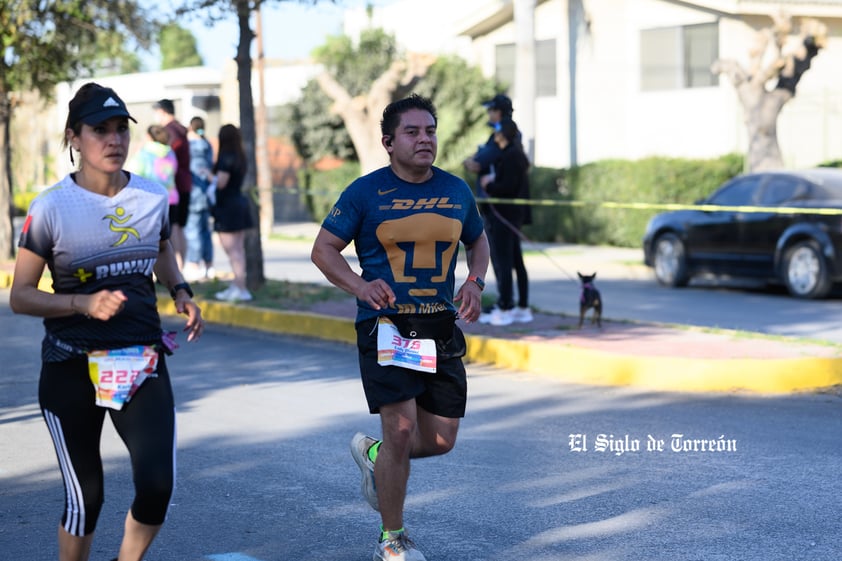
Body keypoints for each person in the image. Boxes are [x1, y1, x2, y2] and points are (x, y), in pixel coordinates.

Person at [9, 82, 204, 561]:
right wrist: (81, 304)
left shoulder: (150, 195)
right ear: (75, 138)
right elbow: (21, 296)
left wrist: (180, 290)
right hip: (70, 364)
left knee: (158, 486)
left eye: (121, 129)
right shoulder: (51, 207)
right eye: (100, 130)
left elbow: (160, 248)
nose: (114, 139)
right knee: (86, 499)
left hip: (139, 357)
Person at [311, 94, 490, 561]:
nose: (424, 139)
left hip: (441, 326)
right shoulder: (364, 192)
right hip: (387, 325)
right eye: (412, 132)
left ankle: (375, 457)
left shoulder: (456, 191)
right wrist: (359, 285)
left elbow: (479, 241)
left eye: (430, 130)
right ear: (389, 142)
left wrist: (474, 280)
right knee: (402, 428)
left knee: (439, 439)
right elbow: (324, 250)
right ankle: (392, 539)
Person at [478, 118, 532, 326]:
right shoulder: (515, 154)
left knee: (505, 261)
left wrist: (488, 185)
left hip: (506, 216)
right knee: (516, 261)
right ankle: (522, 307)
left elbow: (508, 186)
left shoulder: (510, 155)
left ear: (503, 135)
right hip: (513, 215)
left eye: (497, 133)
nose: (494, 136)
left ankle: (506, 307)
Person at [212, 124, 253, 302]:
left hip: (227, 206)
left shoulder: (226, 157)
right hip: (239, 203)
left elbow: (221, 183)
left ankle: (240, 287)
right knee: (238, 250)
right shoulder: (240, 156)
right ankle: (238, 285)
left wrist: (208, 176)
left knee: (232, 251)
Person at [153, 99, 191, 269]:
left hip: (173, 187)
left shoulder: (170, 131)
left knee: (173, 228)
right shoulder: (181, 129)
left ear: (163, 111)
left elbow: (168, 161)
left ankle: (177, 267)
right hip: (185, 183)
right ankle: (181, 266)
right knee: (179, 228)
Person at [183, 116, 215, 282]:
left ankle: (194, 265)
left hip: (195, 195)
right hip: (207, 195)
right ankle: (209, 266)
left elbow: (193, 171)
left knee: (193, 231)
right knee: (205, 232)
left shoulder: (192, 146)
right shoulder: (207, 144)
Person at [126, 125, 178, 209]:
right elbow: (174, 171)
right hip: (171, 199)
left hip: (150, 201)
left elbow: (131, 175)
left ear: (148, 137)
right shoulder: (171, 152)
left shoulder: (144, 154)